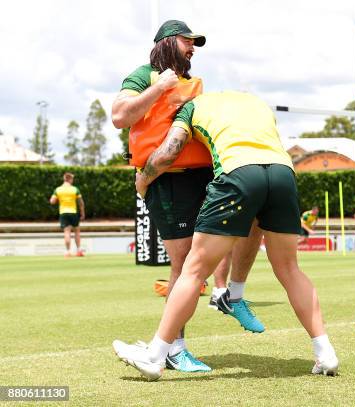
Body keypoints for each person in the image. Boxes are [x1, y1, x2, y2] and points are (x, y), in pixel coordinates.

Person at [112, 91, 338, 380]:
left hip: (238, 173)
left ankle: (154, 356)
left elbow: (169, 151)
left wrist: (142, 181)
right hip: (284, 174)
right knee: (290, 269)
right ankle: (325, 353)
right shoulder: (255, 102)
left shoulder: (190, 107)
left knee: (193, 271)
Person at [111, 20, 263, 373]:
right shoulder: (144, 75)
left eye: (195, 43)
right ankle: (174, 348)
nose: (192, 48)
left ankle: (230, 294)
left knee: (247, 224)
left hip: (204, 177)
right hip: (169, 180)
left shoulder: (195, 85)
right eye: (187, 42)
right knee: (184, 264)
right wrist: (159, 87)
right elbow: (120, 116)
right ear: (166, 43)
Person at [49, 172, 85, 257]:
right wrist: (82, 212)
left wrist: (59, 199)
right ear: (69, 179)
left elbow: (52, 201)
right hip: (73, 212)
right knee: (77, 231)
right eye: (72, 179)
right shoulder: (75, 189)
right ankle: (79, 250)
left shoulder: (58, 189)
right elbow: (81, 202)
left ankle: (68, 251)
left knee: (67, 232)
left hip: (63, 213)